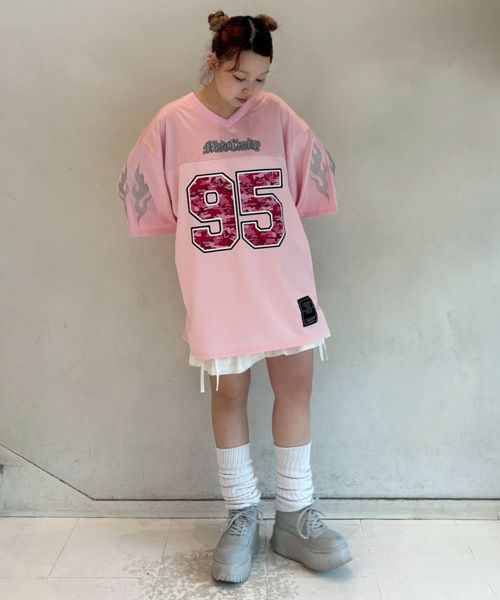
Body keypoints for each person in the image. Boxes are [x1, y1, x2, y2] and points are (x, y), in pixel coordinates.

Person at [117, 9, 352, 584]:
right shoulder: (172, 123)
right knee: (229, 394)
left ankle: (295, 516)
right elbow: (148, 199)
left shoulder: (278, 115)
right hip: (218, 286)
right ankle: (242, 514)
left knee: (296, 386)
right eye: (238, 76)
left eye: (260, 78)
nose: (249, 89)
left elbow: (311, 185)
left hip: (283, 279)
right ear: (213, 62)